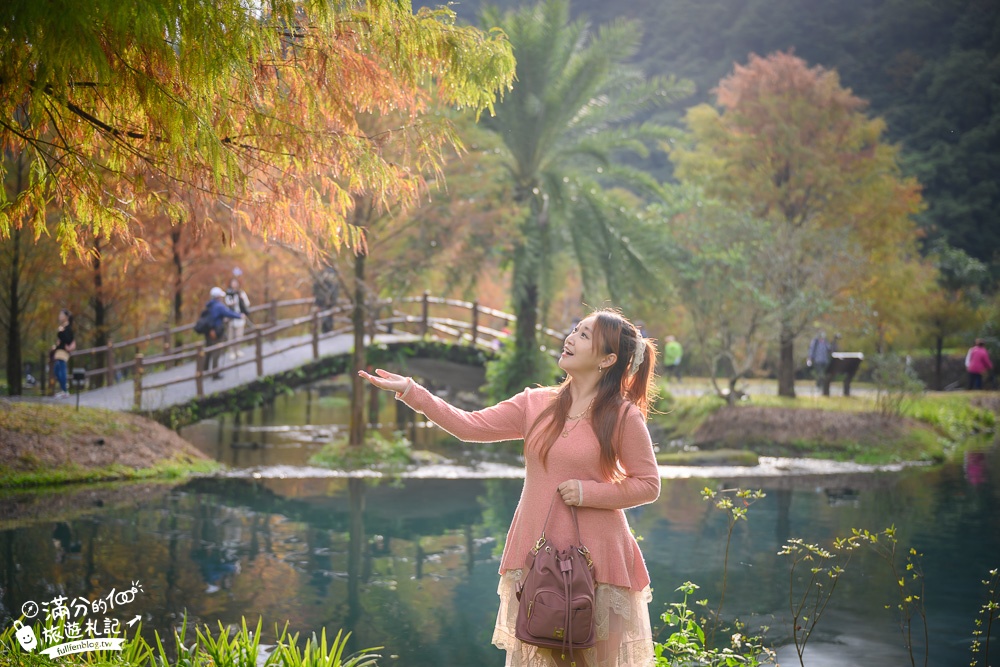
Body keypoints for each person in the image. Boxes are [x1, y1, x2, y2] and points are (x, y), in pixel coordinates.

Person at [361, 308, 660, 667]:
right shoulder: (534, 403)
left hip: (600, 558)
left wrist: (588, 493)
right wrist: (413, 392)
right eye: (574, 329)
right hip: (537, 554)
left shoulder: (622, 415)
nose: (570, 338)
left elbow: (648, 485)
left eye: (584, 336)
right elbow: (469, 426)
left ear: (607, 359)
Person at [203, 287, 243, 379]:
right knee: (216, 352)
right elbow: (229, 313)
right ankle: (215, 373)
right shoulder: (219, 306)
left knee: (208, 352)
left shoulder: (210, 305)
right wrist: (239, 316)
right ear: (217, 297)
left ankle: (205, 372)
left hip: (209, 332)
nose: (221, 298)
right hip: (216, 332)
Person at [224, 275, 252, 359]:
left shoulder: (241, 293)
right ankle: (231, 352)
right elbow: (227, 303)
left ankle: (238, 350)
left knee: (239, 335)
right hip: (231, 317)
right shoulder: (228, 293)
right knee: (231, 335)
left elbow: (247, 303)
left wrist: (241, 299)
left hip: (240, 316)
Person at [51, 308, 75, 398]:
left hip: (63, 352)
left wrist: (60, 332)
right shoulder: (64, 327)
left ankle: (65, 391)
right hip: (59, 351)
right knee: (57, 371)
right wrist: (56, 346)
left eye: (61, 315)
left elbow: (68, 340)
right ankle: (63, 389)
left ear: (66, 317)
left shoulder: (68, 328)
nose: (59, 317)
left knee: (62, 370)